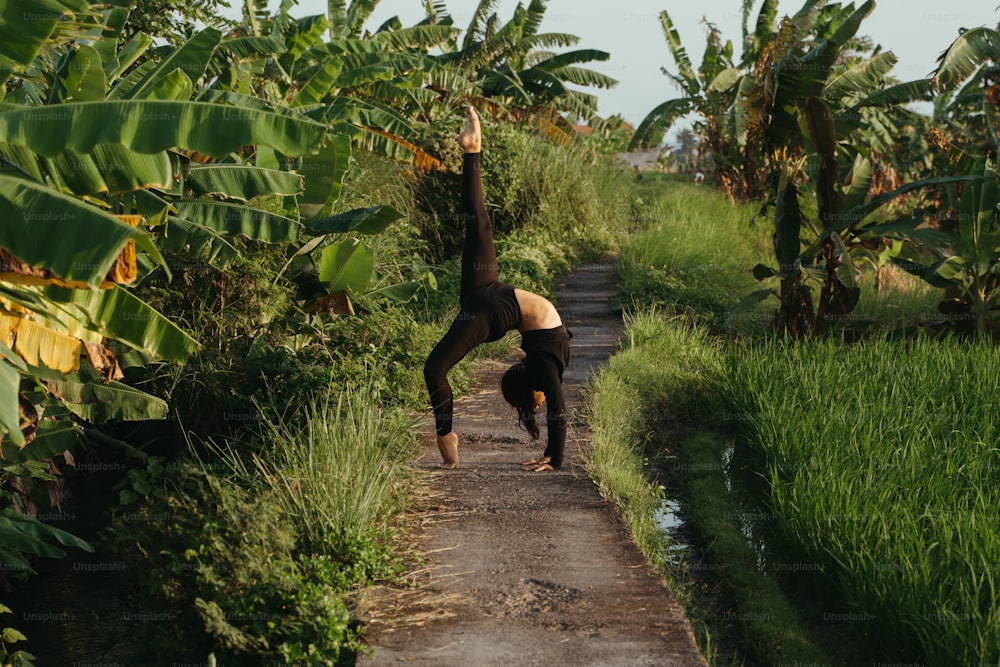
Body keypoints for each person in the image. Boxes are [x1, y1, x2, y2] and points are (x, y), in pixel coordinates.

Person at [423, 107, 572, 473]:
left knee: (435, 369)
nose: (538, 404)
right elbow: (558, 409)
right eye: (533, 405)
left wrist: (553, 456)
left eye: (532, 404)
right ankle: (472, 149)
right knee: (479, 222)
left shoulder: (542, 367)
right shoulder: (541, 371)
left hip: (493, 303)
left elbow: (556, 407)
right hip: (491, 296)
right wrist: (555, 459)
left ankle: (447, 439)